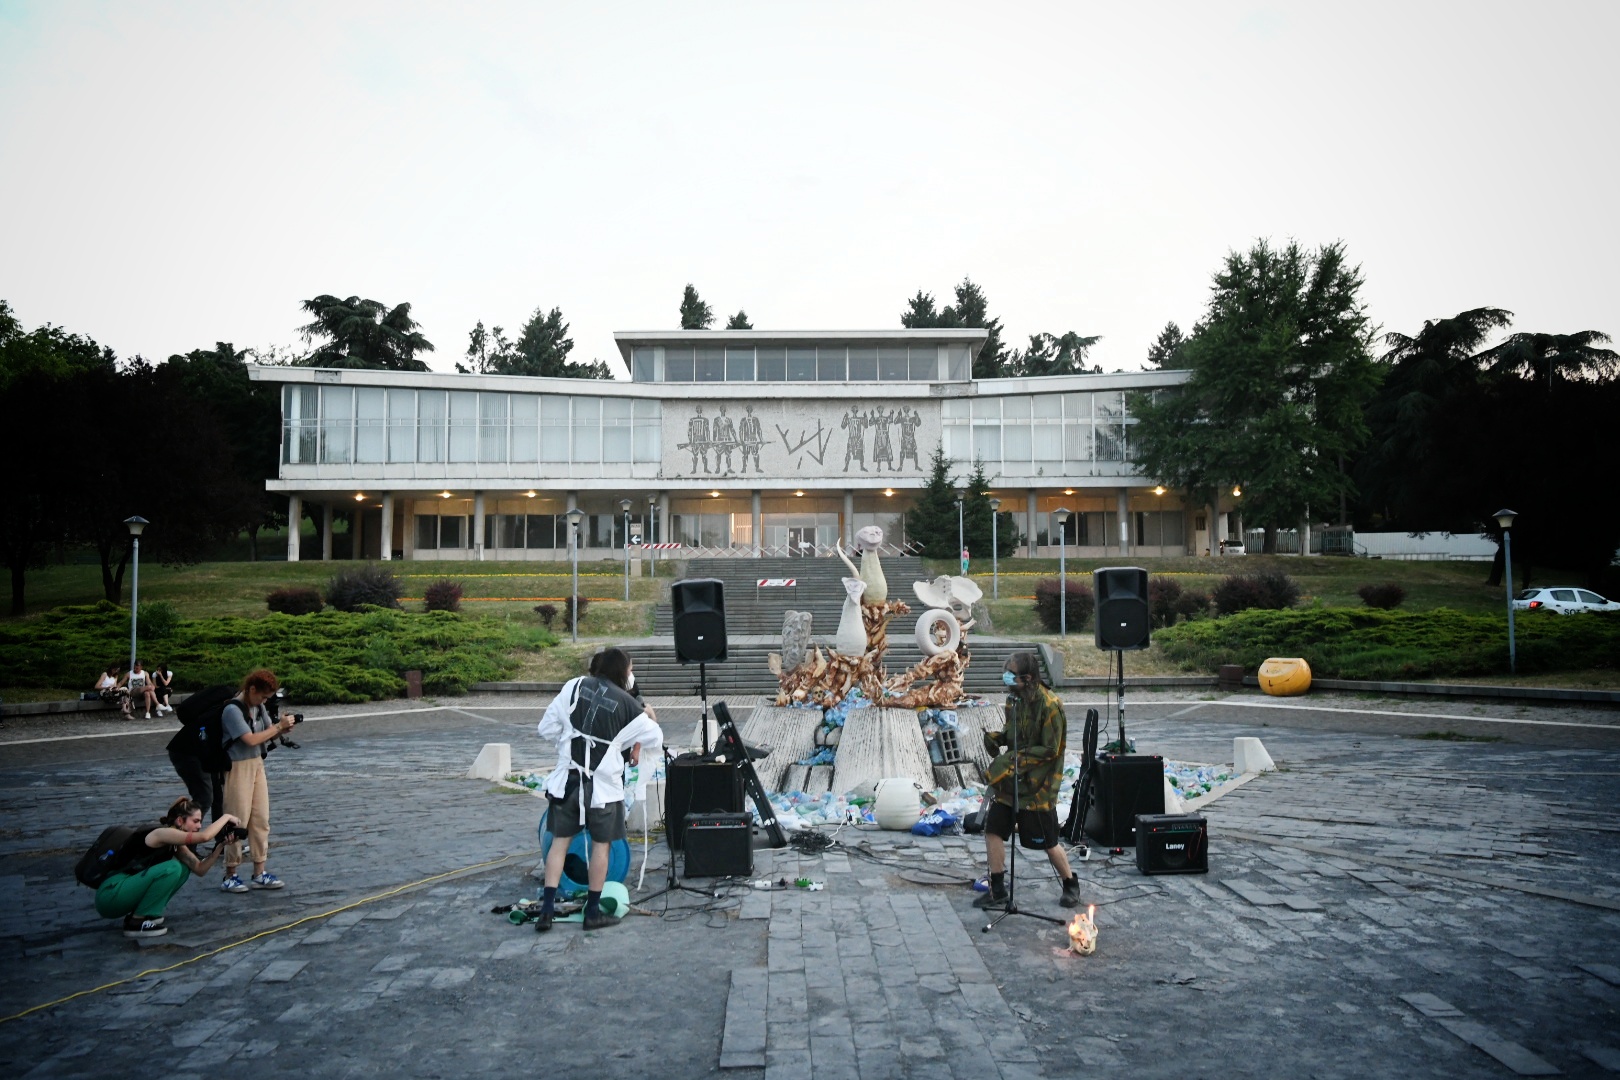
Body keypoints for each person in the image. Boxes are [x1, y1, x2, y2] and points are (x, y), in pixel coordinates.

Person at [535, 647, 661, 931]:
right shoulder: (629, 705)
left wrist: (569, 743)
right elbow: (654, 737)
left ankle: (546, 911)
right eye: (630, 669)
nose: (632, 675)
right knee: (601, 846)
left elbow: (546, 727)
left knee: (559, 842)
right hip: (603, 789)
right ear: (622, 671)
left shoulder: (573, 686)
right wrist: (650, 716)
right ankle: (592, 912)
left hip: (567, 782)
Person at [975, 650, 1082, 910]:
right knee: (993, 830)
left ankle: (1070, 883)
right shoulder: (1014, 701)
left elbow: (1050, 749)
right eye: (1007, 672)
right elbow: (1014, 734)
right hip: (1011, 782)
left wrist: (1014, 760)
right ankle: (997, 888)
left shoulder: (1050, 705)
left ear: (1029, 677)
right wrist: (997, 738)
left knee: (1048, 841)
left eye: (1013, 674)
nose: (1007, 678)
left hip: (1038, 785)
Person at [95, 796, 241, 938]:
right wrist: (226, 817)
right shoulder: (162, 833)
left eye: (200, 822)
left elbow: (199, 869)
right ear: (179, 820)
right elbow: (204, 837)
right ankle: (136, 922)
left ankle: (146, 912)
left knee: (183, 869)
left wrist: (220, 845)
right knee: (172, 868)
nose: (199, 826)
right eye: (195, 821)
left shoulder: (175, 843)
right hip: (111, 894)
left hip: (124, 890)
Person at [219, 669, 297, 894]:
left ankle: (259, 871)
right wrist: (277, 727)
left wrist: (281, 728)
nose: (264, 701)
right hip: (237, 766)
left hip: (256, 765)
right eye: (263, 696)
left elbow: (266, 734)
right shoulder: (233, 709)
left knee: (261, 818)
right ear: (251, 689)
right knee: (237, 820)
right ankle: (230, 874)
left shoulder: (258, 706)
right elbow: (251, 739)